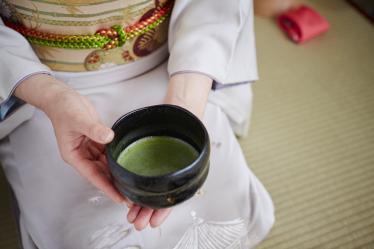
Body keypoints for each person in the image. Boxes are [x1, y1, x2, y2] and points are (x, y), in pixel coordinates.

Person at [0, 0, 275, 248]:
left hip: (176, 65)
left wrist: (184, 105)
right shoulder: (46, 93)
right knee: (83, 233)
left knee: (228, 209)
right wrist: (50, 95)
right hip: (39, 85)